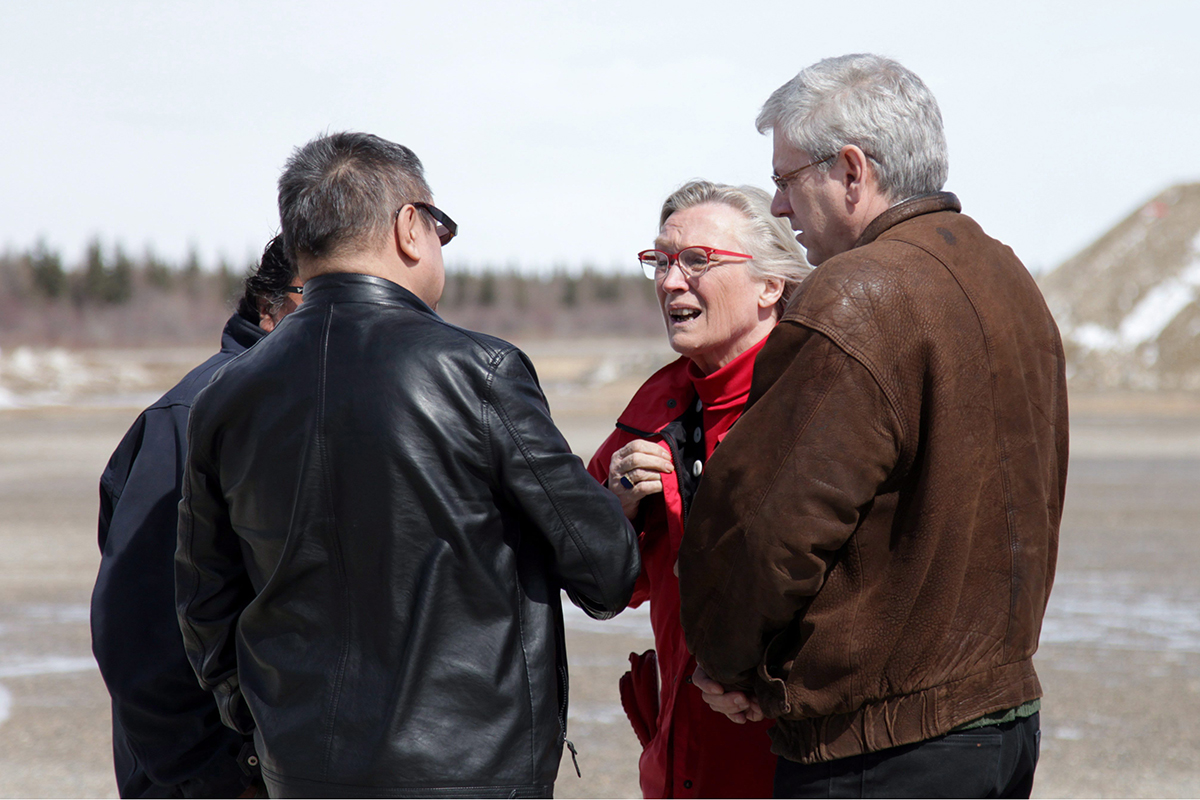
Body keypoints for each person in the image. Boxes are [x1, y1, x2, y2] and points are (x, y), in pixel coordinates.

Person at [175, 131, 641, 798]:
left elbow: (203, 601)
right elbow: (606, 573)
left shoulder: (226, 395)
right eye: (441, 227)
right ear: (409, 228)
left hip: (299, 770)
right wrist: (611, 506)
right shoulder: (480, 372)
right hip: (469, 771)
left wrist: (259, 724)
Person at [677, 54, 1068, 798]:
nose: (781, 208)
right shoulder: (1008, 276)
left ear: (851, 171)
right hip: (1001, 723)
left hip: (879, 748)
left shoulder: (856, 294)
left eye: (788, 180)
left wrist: (728, 665)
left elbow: (770, 528)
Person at [586, 181, 807, 798]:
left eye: (698, 261)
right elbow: (597, 582)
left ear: (771, 285)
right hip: (680, 760)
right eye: (661, 260)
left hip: (791, 763)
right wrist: (616, 509)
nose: (670, 282)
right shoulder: (654, 408)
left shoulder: (816, 406)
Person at [91, 235, 300, 798]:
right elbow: (139, 631)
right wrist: (225, 773)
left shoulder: (305, 407)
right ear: (270, 307)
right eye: (320, 297)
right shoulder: (195, 416)